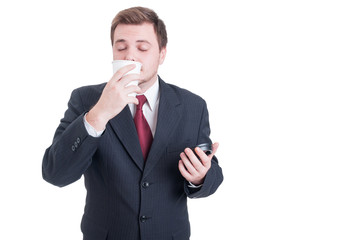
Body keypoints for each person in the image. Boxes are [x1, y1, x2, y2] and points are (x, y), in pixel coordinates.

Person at [42, 6, 223, 240]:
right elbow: (55, 173)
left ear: (162, 53)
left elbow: (212, 171)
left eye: (142, 47)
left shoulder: (192, 106)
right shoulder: (85, 100)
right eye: (121, 47)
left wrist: (200, 177)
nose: (130, 56)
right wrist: (98, 114)